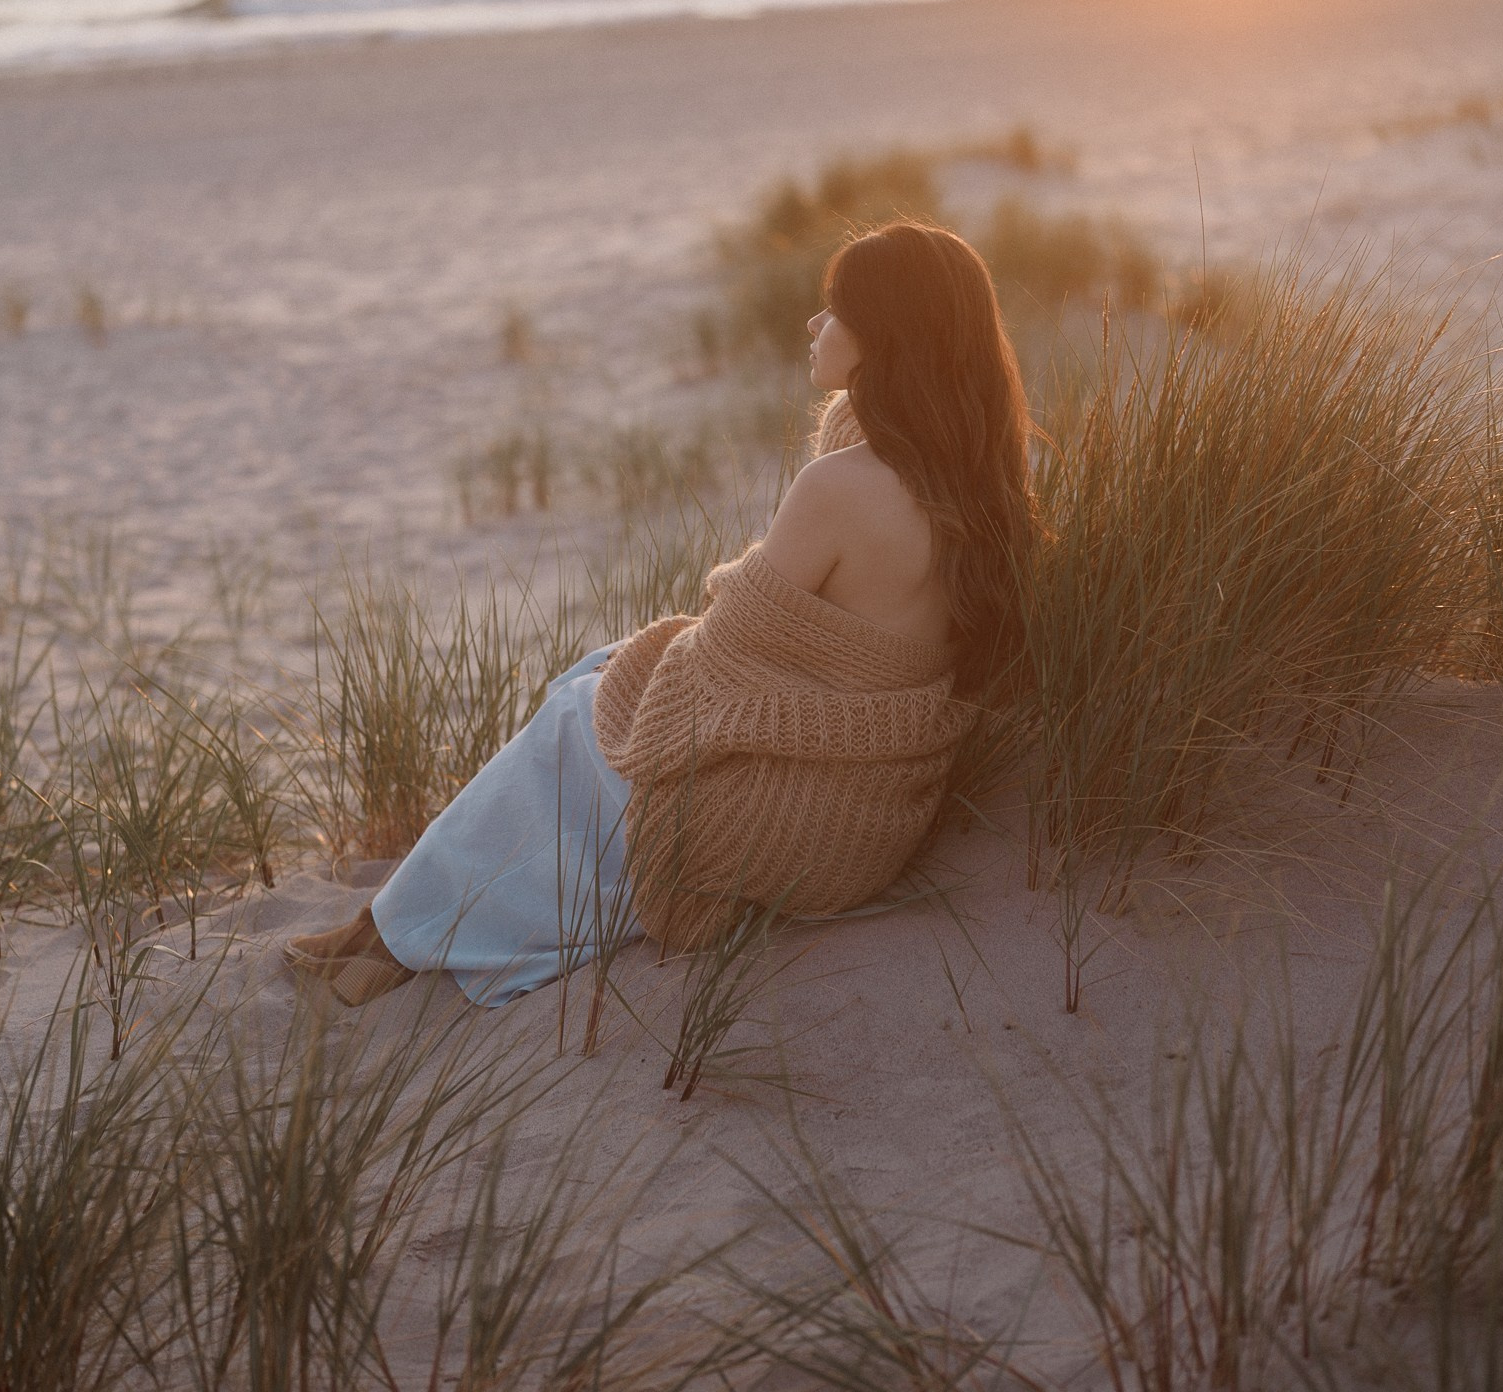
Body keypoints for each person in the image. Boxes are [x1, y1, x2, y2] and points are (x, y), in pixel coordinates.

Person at [284, 222, 1035, 1007]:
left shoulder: (842, 486)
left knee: (575, 713)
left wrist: (631, 669)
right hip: (875, 819)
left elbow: (717, 661)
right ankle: (396, 929)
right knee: (598, 686)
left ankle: (389, 938)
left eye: (837, 308)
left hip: (792, 817)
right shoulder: (983, 478)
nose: (815, 324)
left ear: (887, 333)